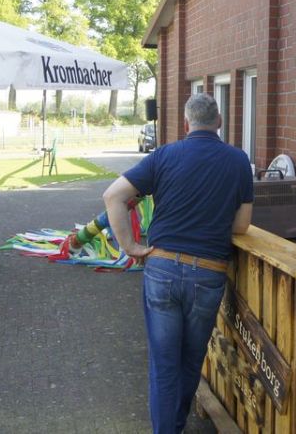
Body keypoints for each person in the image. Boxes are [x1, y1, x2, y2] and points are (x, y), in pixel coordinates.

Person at [104, 93, 253, 434]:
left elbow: (113, 196)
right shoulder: (238, 160)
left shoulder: (163, 155)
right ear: (219, 122)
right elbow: (242, 225)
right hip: (209, 273)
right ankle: (174, 426)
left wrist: (130, 246)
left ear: (186, 124)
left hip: (163, 268)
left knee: (164, 363)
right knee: (190, 360)